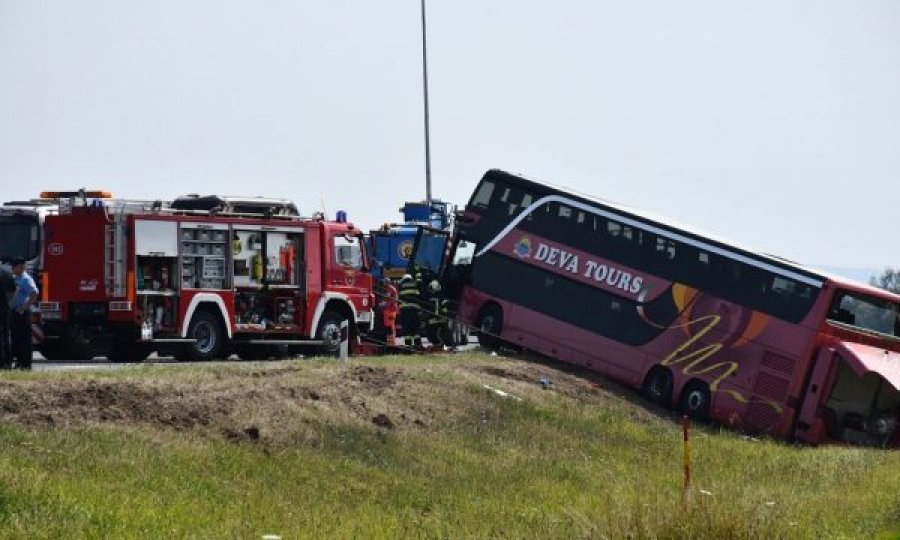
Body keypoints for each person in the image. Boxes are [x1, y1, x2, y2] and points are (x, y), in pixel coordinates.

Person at [9, 258, 38, 370]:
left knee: (24, 339)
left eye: (14, 267)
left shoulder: (26, 279)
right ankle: (19, 362)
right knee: (15, 338)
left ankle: (25, 364)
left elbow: (34, 293)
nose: (13, 270)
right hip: (14, 312)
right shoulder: (16, 278)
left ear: (20, 267)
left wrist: (24, 307)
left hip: (22, 312)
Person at [397, 273, 423, 348]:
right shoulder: (415, 284)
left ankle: (408, 346)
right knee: (415, 328)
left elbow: (398, 297)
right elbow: (419, 296)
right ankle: (418, 345)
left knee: (406, 328)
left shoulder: (401, 285)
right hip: (414, 310)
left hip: (405, 310)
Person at [0, 261, 15, 369]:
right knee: (6, 335)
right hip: (5, 309)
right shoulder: (7, 273)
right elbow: (13, 291)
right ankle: (7, 362)